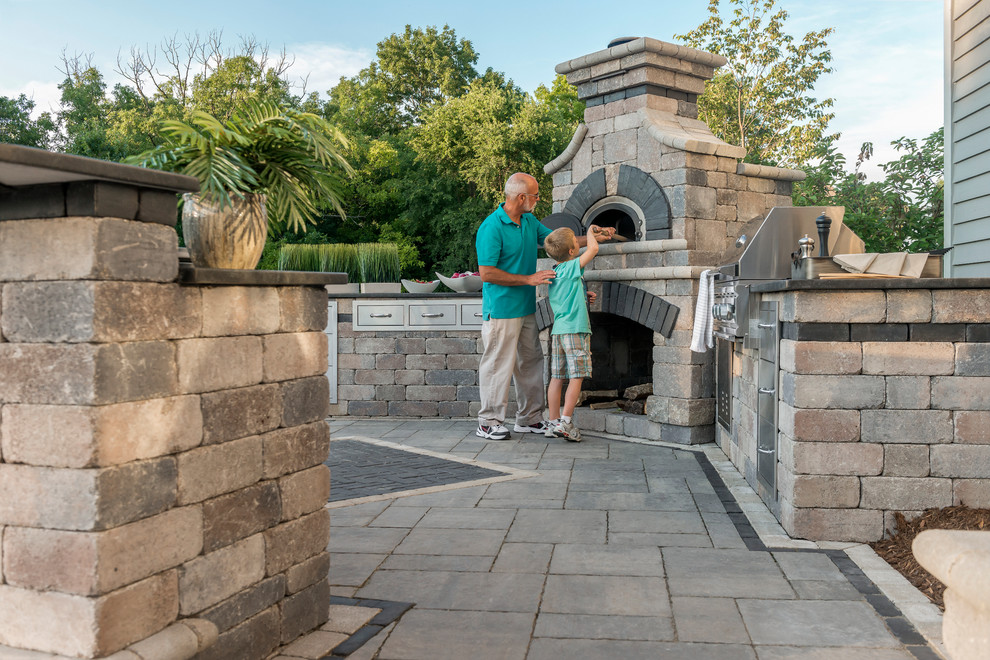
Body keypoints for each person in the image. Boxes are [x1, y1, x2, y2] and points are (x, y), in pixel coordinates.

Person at [475, 172, 612, 440]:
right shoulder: (491, 228)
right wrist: (528, 279)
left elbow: (559, 243)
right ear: (521, 197)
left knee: (531, 363)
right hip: (502, 309)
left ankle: (529, 418)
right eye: (536, 195)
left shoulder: (528, 221)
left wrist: (594, 236)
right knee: (498, 364)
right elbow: (486, 273)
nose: (539, 199)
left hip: (526, 308)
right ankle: (488, 422)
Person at [542, 224, 604, 442]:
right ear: (571, 252)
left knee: (557, 377)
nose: (581, 245)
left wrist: (583, 294)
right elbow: (593, 250)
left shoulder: (557, 271)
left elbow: (566, 293)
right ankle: (566, 422)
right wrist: (590, 234)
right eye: (577, 244)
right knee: (576, 376)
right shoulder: (570, 268)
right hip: (575, 329)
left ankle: (552, 422)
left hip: (558, 331)